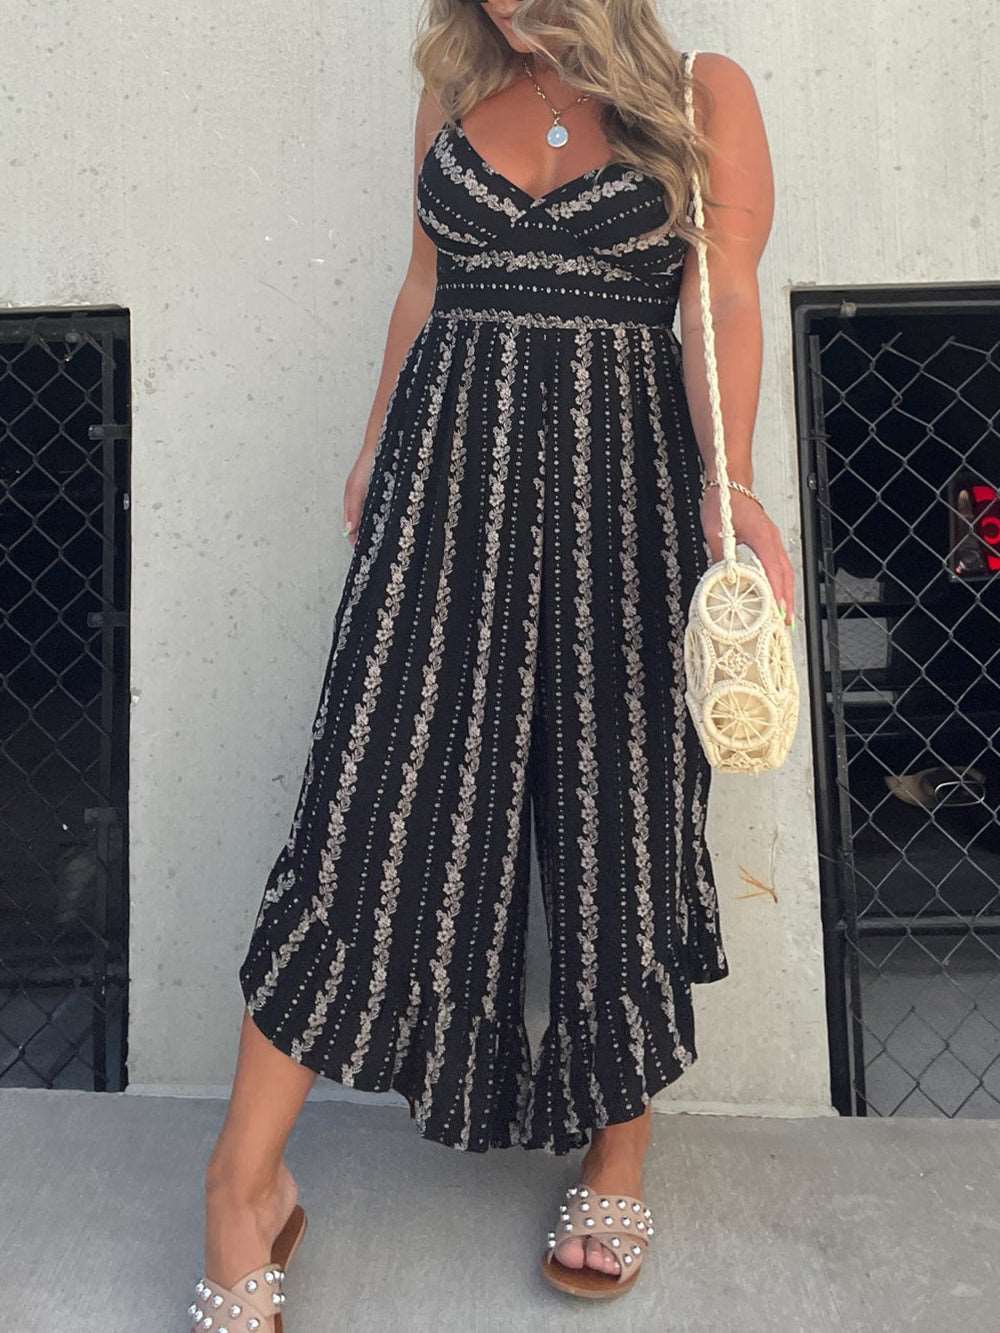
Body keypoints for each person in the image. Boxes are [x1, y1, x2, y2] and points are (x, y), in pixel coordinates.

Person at [190, 1, 791, 1322]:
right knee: (366, 810)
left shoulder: (704, 94)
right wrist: (373, 449)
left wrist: (730, 480)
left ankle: (617, 1153)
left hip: (625, 502)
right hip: (443, 493)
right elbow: (423, 287)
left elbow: (726, 294)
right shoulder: (457, 95)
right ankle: (245, 1183)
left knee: (619, 816)